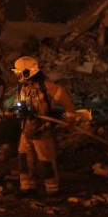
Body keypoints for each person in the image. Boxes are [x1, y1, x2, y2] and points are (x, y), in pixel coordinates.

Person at [11, 56, 76, 196]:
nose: (18, 76)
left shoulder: (46, 86)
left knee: (45, 158)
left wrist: (70, 119)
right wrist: (16, 111)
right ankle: (28, 187)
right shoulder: (23, 88)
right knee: (24, 156)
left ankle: (52, 189)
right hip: (27, 127)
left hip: (43, 128)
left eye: (19, 72)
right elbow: (20, 105)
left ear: (27, 72)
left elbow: (65, 100)